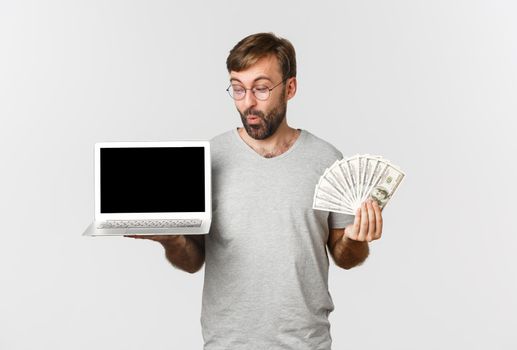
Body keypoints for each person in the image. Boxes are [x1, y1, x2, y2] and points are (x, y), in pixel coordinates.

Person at [128, 32, 384, 350]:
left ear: (289, 88)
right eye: (238, 89)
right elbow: (193, 260)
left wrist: (356, 240)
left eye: (261, 88)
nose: (248, 102)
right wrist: (172, 239)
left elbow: (344, 257)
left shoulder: (327, 160)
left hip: (305, 343)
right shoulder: (209, 159)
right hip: (227, 343)